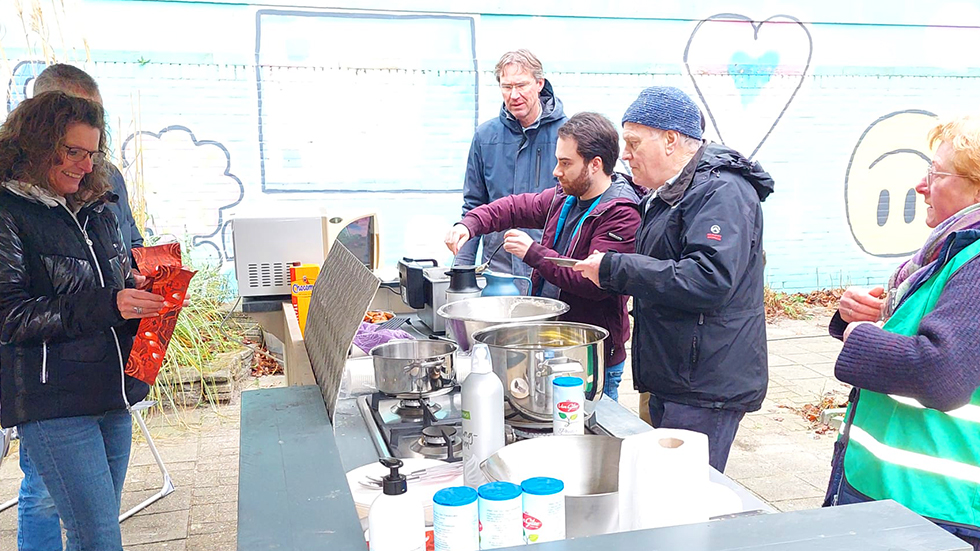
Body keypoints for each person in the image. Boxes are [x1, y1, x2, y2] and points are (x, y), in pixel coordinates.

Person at [574, 86, 774, 472]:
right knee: (662, 490)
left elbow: (709, 278)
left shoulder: (723, 191)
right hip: (675, 374)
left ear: (670, 140)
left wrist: (617, 268)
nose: (625, 155)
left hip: (705, 384)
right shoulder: (666, 192)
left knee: (685, 500)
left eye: (632, 143)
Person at [0, 91, 165, 550]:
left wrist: (148, 293)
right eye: (72, 152)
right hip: (55, 403)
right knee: (97, 536)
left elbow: (111, 288)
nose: (85, 166)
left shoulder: (97, 206)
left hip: (112, 394)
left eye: (91, 154)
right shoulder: (9, 211)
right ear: (35, 144)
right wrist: (112, 303)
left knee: (96, 532)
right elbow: (10, 315)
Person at [823, 115, 980, 550]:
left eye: (936, 173)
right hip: (899, 491)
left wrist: (861, 337)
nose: (920, 186)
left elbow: (942, 373)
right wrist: (862, 318)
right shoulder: (952, 252)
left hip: (931, 508)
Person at [445, 112, 642, 400]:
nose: (556, 171)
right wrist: (469, 224)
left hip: (590, 356)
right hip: (553, 346)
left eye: (565, 163)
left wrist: (533, 253)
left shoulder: (621, 213)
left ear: (595, 164)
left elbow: (593, 282)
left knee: (589, 434)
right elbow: (513, 208)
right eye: (557, 161)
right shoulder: (564, 197)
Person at [456, 49, 567, 276]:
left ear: (539, 84)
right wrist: (461, 271)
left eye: (521, 85)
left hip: (548, 270)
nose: (514, 95)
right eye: (507, 87)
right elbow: (473, 206)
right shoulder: (485, 137)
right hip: (498, 272)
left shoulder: (567, 136)